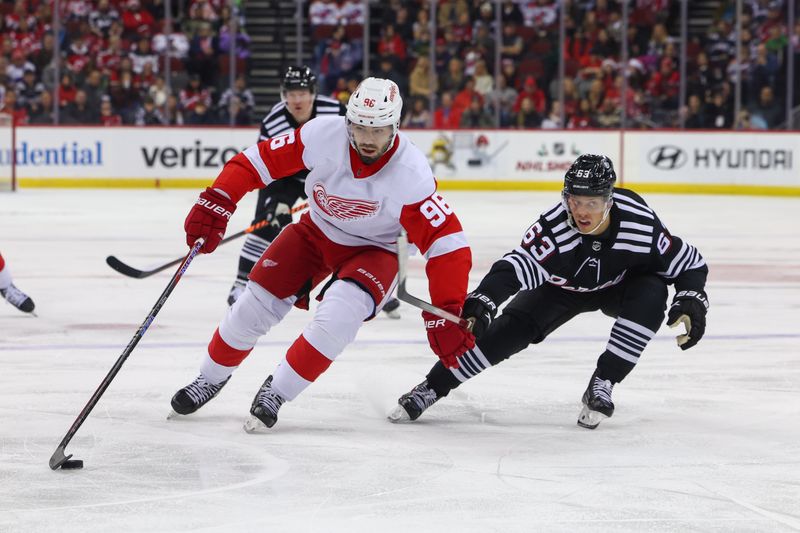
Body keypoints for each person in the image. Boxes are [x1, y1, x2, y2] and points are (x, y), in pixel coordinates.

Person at [170, 77, 475, 431]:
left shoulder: (411, 173)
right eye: (359, 127)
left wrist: (446, 310)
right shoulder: (322, 135)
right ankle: (210, 377)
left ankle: (278, 391)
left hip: (375, 250)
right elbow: (257, 161)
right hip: (316, 230)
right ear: (348, 121)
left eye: (377, 130)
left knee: (338, 319)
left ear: (396, 126)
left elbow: (448, 243)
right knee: (253, 304)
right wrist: (219, 199)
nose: (366, 139)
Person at [389, 154, 709, 430]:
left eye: (592, 203)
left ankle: (604, 382)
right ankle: (432, 387)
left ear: (609, 200)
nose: (582, 212)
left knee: (653, 295)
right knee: (504, 334)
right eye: (576, 201)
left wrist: (692, 300)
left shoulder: (640, 224)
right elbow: (514, 267)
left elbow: (689, 264)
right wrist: (484, 301)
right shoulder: (554, 230)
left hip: (620, 286)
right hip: (559, 290)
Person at [228, 65, 403, 318]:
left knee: (349, 227)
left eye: (303, 93)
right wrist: (277, 201)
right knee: (266, 222)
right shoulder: (272, 121)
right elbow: (269, 168)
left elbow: (355, 143)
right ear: (283, 95)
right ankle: (240, 283)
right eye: (291, 93)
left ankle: (373, 287)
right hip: (287, 178)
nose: (297, 100)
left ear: (313, 93)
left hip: (325, 173)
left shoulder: (335, 110)